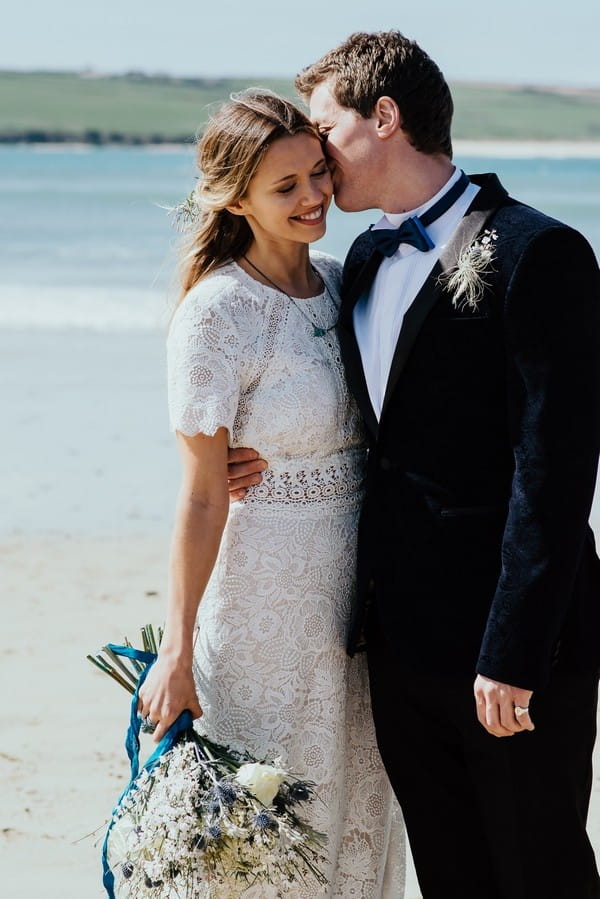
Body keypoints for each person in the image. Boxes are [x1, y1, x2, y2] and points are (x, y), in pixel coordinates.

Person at [228, 32, 600, 899]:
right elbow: (343, 414)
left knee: (540, 872)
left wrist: (514, 650)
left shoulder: (540, 252)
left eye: (324, 129)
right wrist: (250, 457)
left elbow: (555, 470)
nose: (314, 159)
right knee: (450, 874)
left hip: (511, 650)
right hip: (395, 648)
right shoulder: (357, 263)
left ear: (383, 117)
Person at [136, 89, 404, 898]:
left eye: (318, 173)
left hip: (358, 600)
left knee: (357, 811)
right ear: (236, 196)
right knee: (266, 832)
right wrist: (176, 649)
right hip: (262, 606)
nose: (314, 196)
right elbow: (200, 495)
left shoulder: (341, 282)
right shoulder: (216, 312)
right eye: (284, 186)